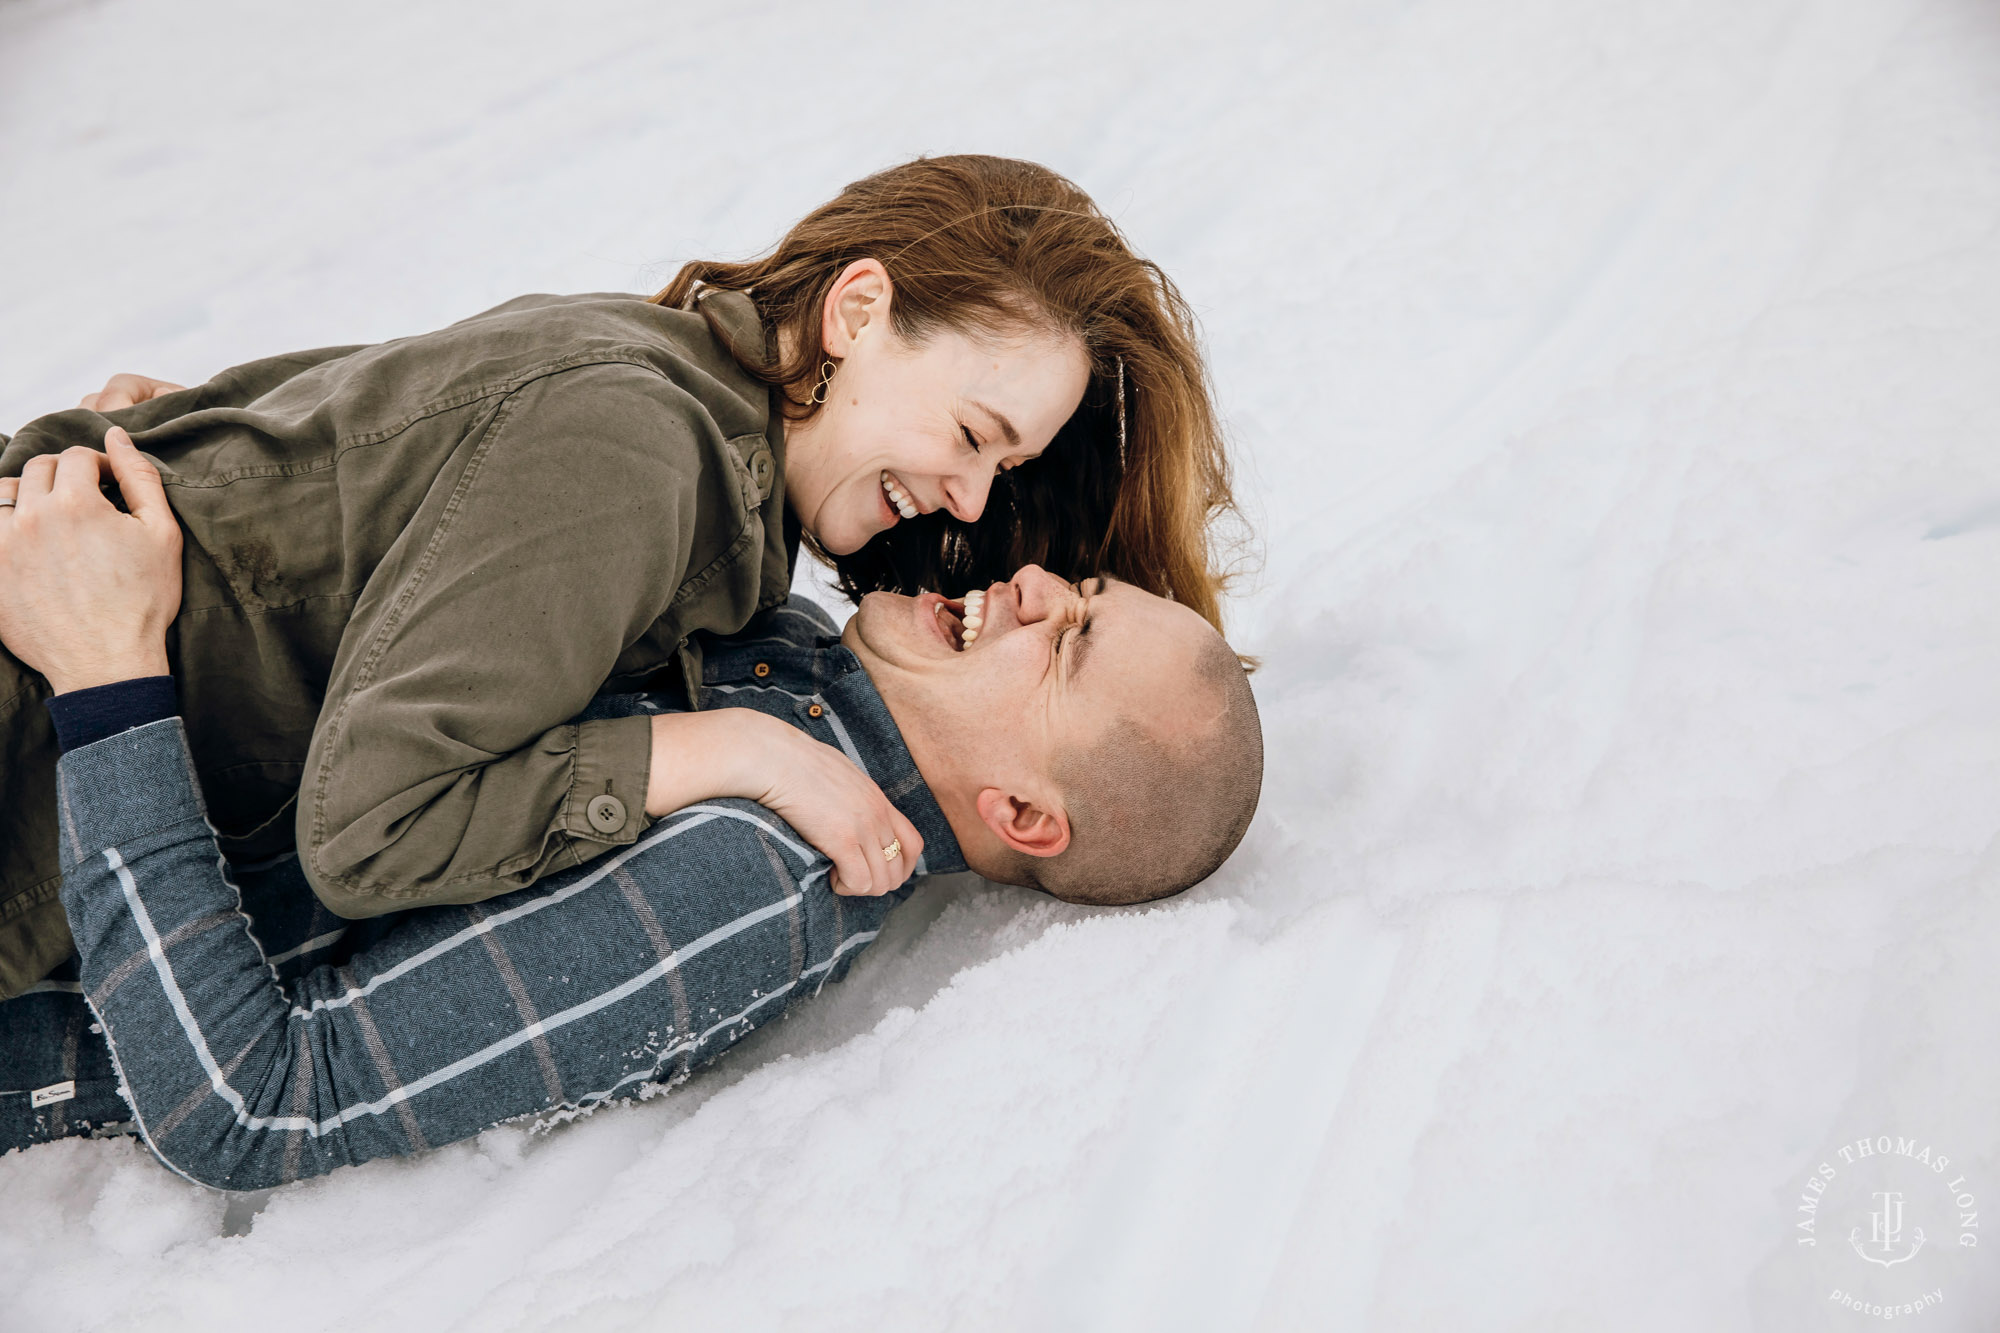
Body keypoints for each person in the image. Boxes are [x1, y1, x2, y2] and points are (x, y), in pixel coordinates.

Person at [0, 154, 1241, 996]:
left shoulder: (670, 403)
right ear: (858, 312)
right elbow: (372, 826)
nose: (974, 505)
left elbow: (369, 442)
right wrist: (736, 754)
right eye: (972, 436)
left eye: (1002, 465)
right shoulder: (646, 454)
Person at [0, 433, 1262, 1188]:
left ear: (1022, 816)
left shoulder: (753, 877)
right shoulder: (784, 652)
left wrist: (108, 675)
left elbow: (255, 1099)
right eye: (1081, 582)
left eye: (1071, 644)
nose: (1035, 582)